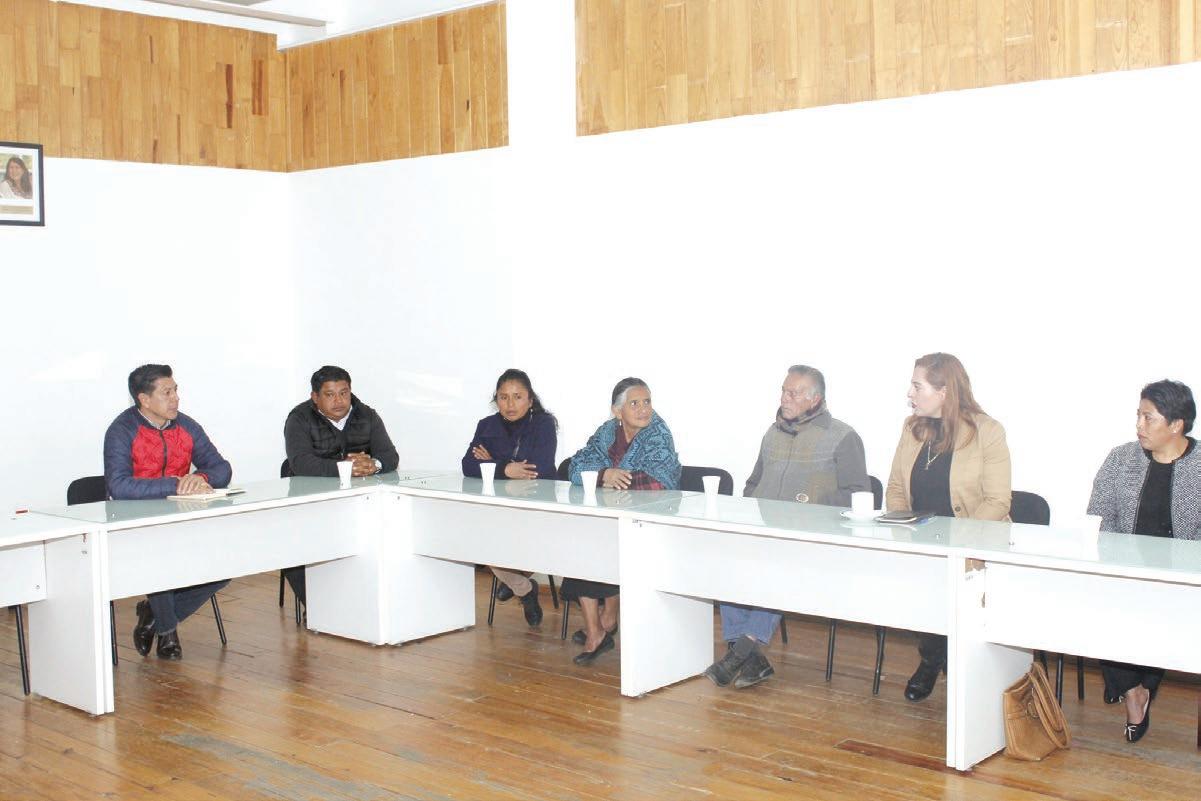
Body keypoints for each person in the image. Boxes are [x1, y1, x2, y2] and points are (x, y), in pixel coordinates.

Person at [704, 365, 869, 689]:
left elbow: (859, 494)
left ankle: (740, 652)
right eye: (783, 390)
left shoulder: (843, 437)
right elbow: (753, 483)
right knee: (726, 559)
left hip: (812, 542)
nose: (784, 398)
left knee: (780, 566)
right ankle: (751, 657)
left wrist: (814, 501)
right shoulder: (772, 434)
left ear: (814, 399)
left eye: (793, 393)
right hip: (764, 534)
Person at [885, 352, 1011, 702]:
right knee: (924, 592)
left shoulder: (988, 432)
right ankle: (932, 658)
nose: (910, 394)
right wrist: (904, 529)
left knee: (953, 594)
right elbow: (895, 488)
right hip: (922, 544)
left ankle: (951, 663)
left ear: (943, 392)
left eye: (917, 386)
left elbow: (998, 501)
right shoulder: (911, 429)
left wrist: (957, 541)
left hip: (974, 547)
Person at [1087, 379, 1201, 743]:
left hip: (1183, 580)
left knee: (1161, 612)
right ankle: (1132, 689)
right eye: (1138, 415)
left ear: (1176, 424)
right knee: (1099, 605)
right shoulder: (1121, 459)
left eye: (1148, 418)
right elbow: (1099, 516)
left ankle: (1140, 684)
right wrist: (1117, 563)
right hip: (1125, 572)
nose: (1139, 425)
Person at [103, 364, 233, 660]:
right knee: (159, 559)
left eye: (175, 390)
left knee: (225, 564)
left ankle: (153, 614)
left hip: (181, 518)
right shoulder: (122, 430)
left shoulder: (186, 426)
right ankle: (167, 633)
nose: (176, 398)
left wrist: (200, 478)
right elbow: (119, 486)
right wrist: (175, 483)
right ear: (144, 399)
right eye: (167, 393)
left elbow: (222, 468)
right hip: (133, 524)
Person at [564, 377, 680, 665]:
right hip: (610, 518)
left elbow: (661, 481)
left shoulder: (658, 433)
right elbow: (576, 467)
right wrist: (605, 475)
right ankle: (597, 630)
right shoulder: (607, 432)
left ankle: (605, 621)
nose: (644, 409)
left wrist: (615, 479)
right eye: (635, 403)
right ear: (617, 411)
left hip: (648, 524)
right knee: (581, 544)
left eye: (647, 401)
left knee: (599, 545)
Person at [283, 365, 399, 604]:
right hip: (310, 500)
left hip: (358, 502)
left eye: (344, 393)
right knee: (292, 543)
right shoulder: (299, 418)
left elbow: (390, 456)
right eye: (330, 394)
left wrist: (374, 464)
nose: (339, 401)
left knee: (388, 531)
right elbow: (301, 463)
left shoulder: (367, 415)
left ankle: (368, 600)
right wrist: (345, 468)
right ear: (315, 397)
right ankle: (316, 606)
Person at [461, 368, 558, 627]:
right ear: (496, 399)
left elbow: (537, 468)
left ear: (530, 399)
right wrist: (506, 469)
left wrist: (492, 462)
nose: (510, 404)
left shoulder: (543, 424)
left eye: (517, 397)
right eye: (503, 397)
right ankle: (523, 587)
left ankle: (514, 582)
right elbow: (468, 465)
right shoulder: (487, 425)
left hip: (536, 504)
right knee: (479, 539)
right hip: (498, 505)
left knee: (522, 539)